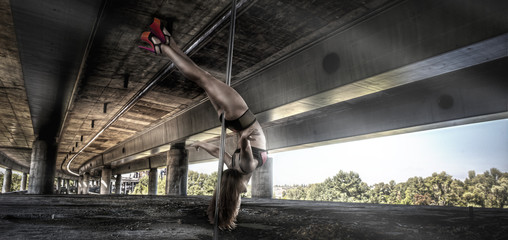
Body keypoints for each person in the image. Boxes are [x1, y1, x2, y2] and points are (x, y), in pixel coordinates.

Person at [139, 18, 268, 230]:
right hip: (229, 121)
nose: (242, 196)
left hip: (240, 117)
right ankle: (166, 40)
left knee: (202, 77)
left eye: (239, 198)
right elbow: (219, 152)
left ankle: (161, 47)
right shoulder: (232, 169)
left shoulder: (244, 169)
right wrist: (202, 145)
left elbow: (247, 155)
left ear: (237, 193)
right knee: (201, 79)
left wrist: (245, 140)